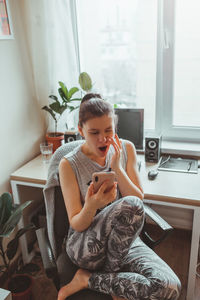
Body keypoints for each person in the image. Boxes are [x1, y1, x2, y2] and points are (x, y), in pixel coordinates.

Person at [58, 93, 181, 300]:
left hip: (124, 242)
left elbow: (138, 201)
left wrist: (117, 167)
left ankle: (90, 280)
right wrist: (92, 205)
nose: (102, 138)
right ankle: (113, 281)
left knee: (170, 287)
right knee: (130, 204)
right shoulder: (68, 164)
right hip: (86, 245)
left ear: (115, 127)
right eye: (94, 132)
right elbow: (76, 223)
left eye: (108, 130)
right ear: (80, 130)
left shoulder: (127, 149)